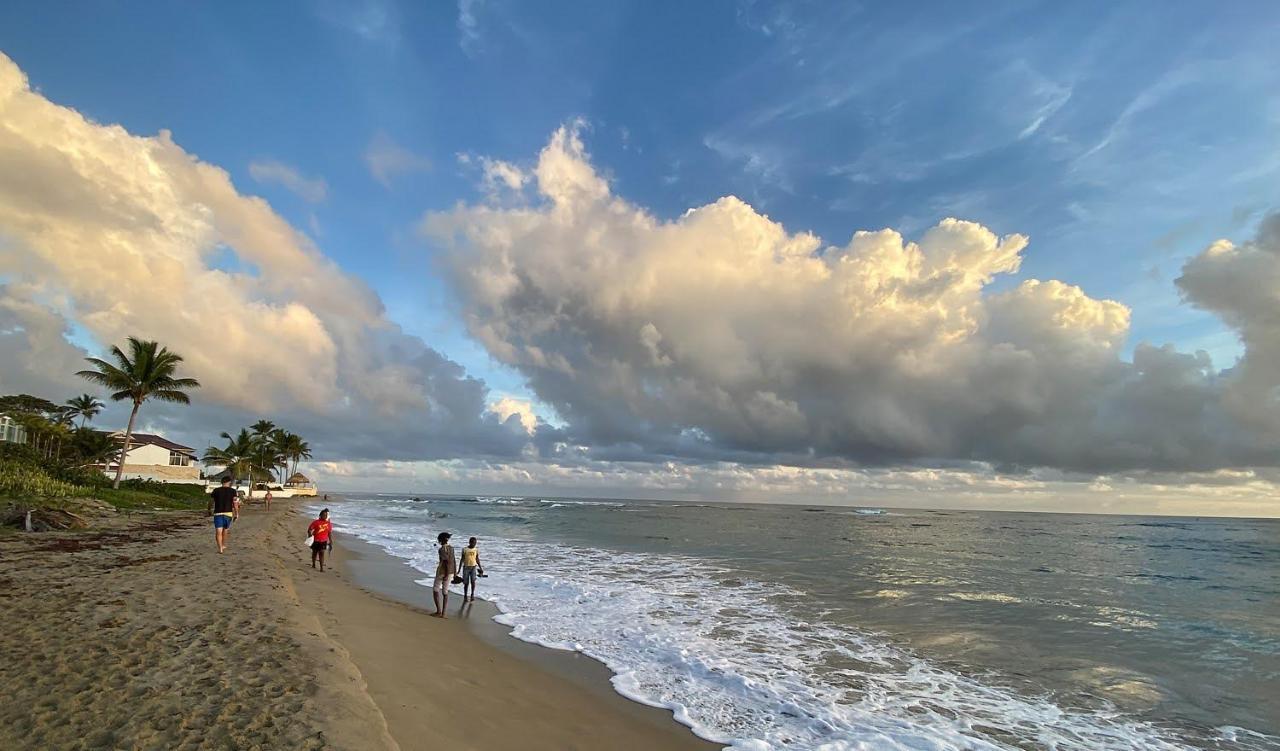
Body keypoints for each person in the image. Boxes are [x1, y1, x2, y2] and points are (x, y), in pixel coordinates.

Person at [207, 477, 237, 554]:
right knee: (225, 530)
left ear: (221, 482)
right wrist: (236, 513)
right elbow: (235, 503)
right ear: (229, 482)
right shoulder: (233, 491)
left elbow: (211, 501)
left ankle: (220, 548)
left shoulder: (216, 490)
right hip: (228, 513)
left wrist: (209, 509)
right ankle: (223, 544)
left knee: (218, 531)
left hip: (218, 513)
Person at [432, 532, 456, 618]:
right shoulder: (452, 548)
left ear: (440, 540)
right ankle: (444, 613)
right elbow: (453, 561)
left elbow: (445, 562)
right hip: (451, 572)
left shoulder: (441, 550)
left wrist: (445, 574)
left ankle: (439, 611)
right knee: (445, 592)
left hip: (442, 571)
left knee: (435, 590)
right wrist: (455, 573)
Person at [460, 537, 483, 602]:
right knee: (466, 583)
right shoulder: (465, 549)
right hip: (466, 567)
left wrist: (480, 567)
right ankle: (465, 596)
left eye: (475, 543)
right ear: (469, 542)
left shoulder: (476, 550)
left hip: (473, 567)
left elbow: (477, 559)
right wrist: (459, 569)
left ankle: (472, 594)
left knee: (473, 581)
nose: (474, 544)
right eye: (473, 543)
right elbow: (462, 559)